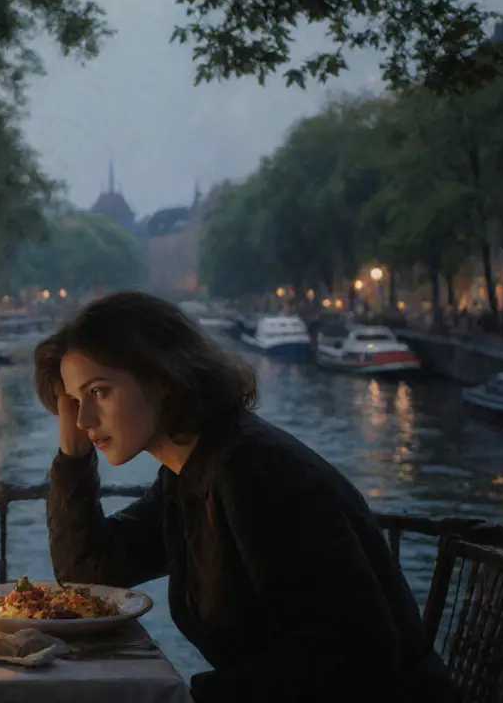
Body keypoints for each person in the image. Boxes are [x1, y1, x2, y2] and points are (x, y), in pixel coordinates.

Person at [36, 292, 457, 703]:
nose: (84, 419)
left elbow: (356, 654)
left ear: (161, 377)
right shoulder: (192, 472)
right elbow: (88, 568)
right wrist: (73, 457)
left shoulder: (253, 471)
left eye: (98, 392)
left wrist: (195, 695)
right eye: (74, 401)